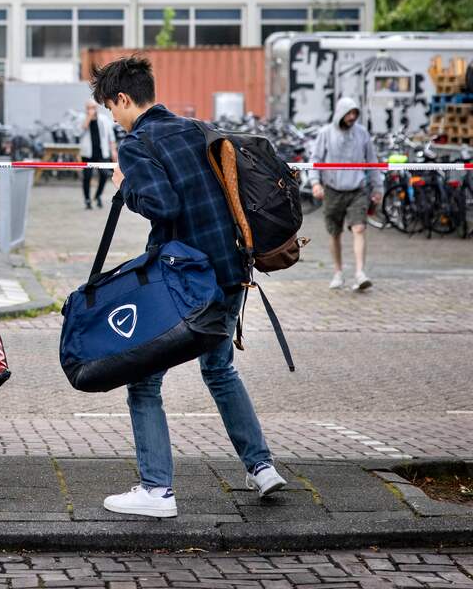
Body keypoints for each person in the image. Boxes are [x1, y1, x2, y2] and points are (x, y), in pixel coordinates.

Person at [90, 54, 287, 518]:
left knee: (143, 381)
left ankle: (156, 490)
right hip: (231, 269)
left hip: (183, 281)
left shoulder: (136, 145)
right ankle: (261, 467)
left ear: (124, 99)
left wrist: (125, 184)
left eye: (110, 107)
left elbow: (163, 205)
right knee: (219, 370)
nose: (112, 117)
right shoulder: (198, 129)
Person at [310, 97, 383, 292]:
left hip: (357, 190)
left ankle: (360, 273)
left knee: (359, 228)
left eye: (355, 114)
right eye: (348, 113)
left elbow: (372, 162)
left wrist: (378, 188)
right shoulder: (325, 134)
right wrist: (315, 183)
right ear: (340, 113)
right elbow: (315, 160)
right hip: (332, 190)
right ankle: (338, 272)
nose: (352, 117)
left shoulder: (362, 134)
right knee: (335, 233)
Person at [78, 101, 118, 209]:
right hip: (88, 153)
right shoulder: (82, 118)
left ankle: (98, 195)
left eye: (93, 107)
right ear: (86, 108)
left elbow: (111, 136)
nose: (91, 110)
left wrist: (113, 150)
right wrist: (88, 119)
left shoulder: (103, 119)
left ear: (97, 108)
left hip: (102, 152)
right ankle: (87, 199)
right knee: (87, 177)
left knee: (104, 174)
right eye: (89, 108)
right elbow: (77, 134)